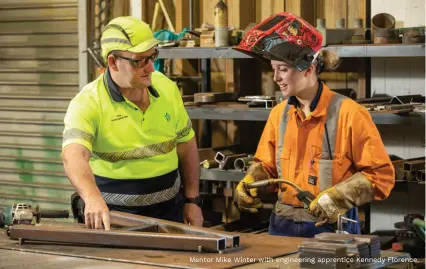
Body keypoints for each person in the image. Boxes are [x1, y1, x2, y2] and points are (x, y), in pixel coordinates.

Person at [233, 12, 395, 237]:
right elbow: (268, 167)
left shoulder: (350, 114)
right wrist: (251, 180)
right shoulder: (279, 115)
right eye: (274, 69)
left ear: (308, 69)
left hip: (330, 227)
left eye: (283, 69)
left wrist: (337, 198)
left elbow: (380, 177)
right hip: (282, 225)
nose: (276, 78)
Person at [62, 16, 203, 230]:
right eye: (140, 61)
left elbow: (186, 145)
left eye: (152, 56)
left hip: (170, 212)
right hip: (113, 217)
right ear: (112, 62)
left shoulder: (166, 88)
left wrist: (192, 201)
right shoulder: (88, 102)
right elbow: (73, 155)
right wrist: (92, 198)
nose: (151, 68)